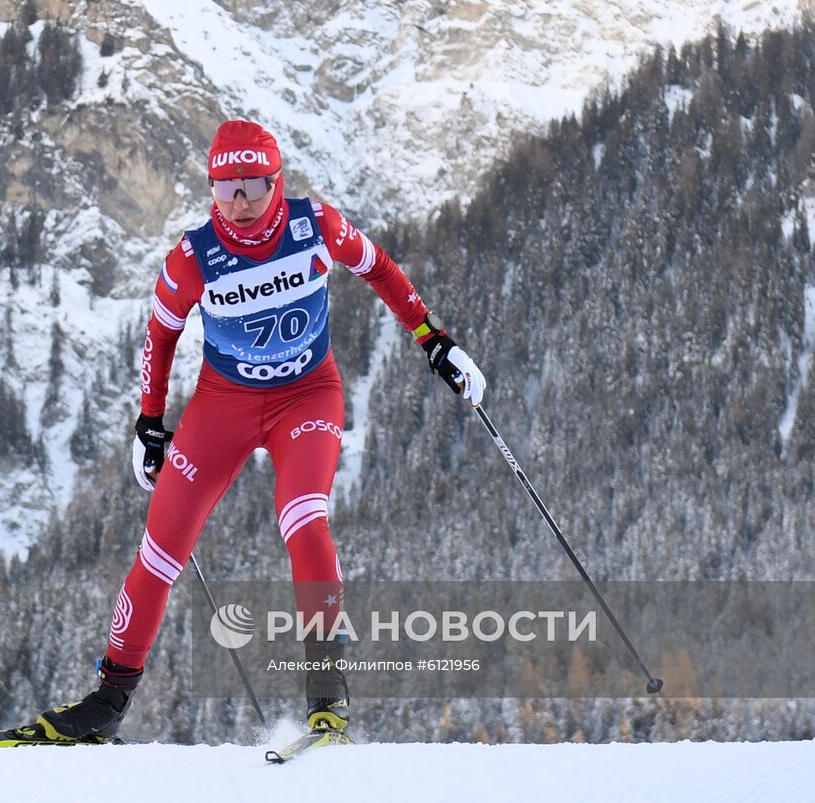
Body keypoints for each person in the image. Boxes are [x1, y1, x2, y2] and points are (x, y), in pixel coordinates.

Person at [33, 120, 485, 741]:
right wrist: (149, 422)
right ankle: (109, 702)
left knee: (303, 517)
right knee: (160, 547)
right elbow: (161, 335)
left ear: (278, 181)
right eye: (226, 188)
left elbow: (379, 268)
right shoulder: (193, 258)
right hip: (224, 404)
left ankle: (327, 696)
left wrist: (434, 340)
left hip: (308, 395)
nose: (239, 201)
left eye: (253, 185)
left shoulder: (315, 225)